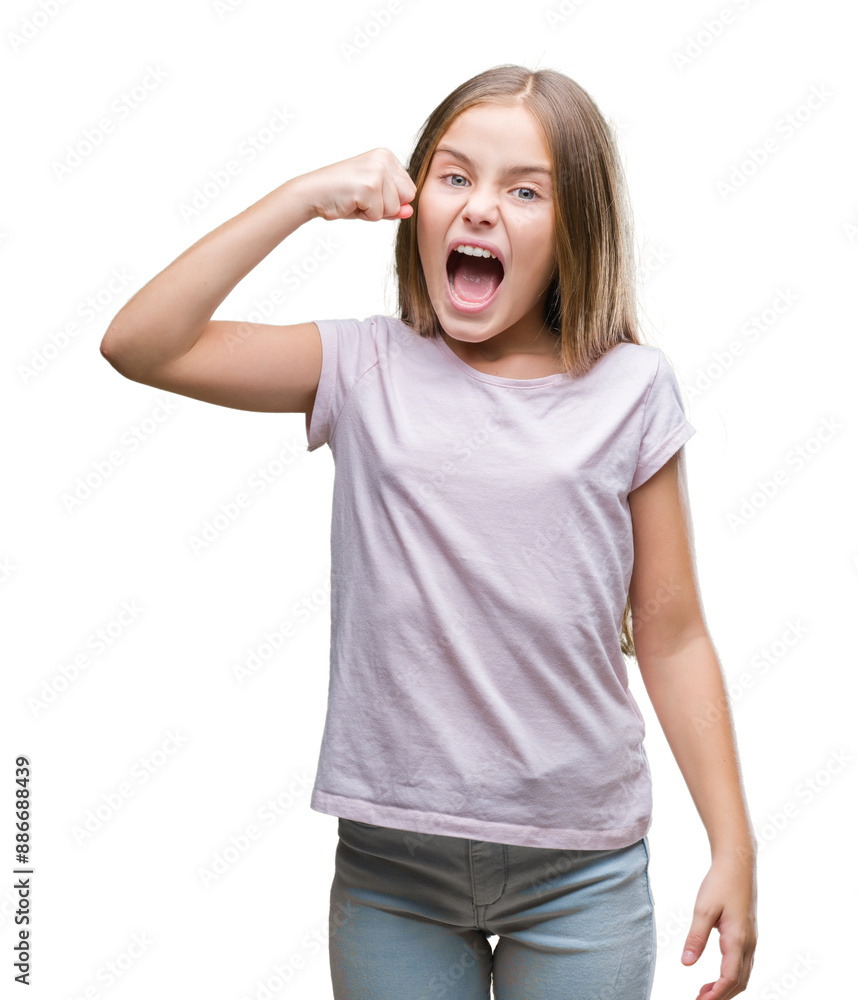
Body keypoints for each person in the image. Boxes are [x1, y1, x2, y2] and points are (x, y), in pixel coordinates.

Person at [100, 63, 758, 1000]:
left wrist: (732, 846)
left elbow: (671, 629)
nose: (482, 208)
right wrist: (300, 197)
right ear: (416, 203)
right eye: (456, 176)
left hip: (581, 872)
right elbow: (142, 344)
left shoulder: (633, 389)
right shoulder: (363, 366)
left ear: (579, 229)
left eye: (525, 191)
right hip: (393, 875)